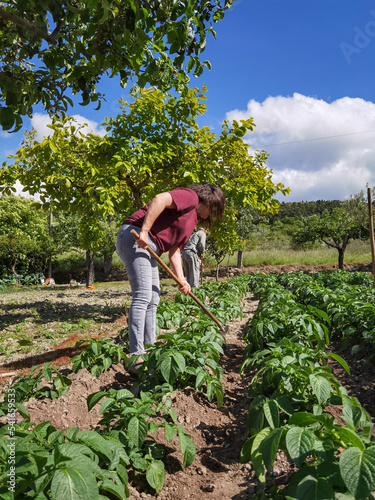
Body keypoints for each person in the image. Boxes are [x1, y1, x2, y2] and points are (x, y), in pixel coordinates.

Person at [116, 183, 225, 375]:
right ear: (208, 201)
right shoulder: (190, 197)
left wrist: (182, 280)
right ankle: (136, 355)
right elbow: (159, 199)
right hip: (135, 237)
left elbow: (174, 250)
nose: (212, 215)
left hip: (151, 247)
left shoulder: (192, 221)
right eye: (214, 209)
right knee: (142, 296)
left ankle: (150, 348)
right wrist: (143, 232)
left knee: (154, 297)